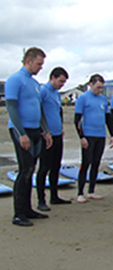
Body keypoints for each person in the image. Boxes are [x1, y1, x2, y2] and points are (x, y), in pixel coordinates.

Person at [5, 47, 53, 226]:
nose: (41, 67)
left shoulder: (34, 83)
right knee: (24, 170)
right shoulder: (15, 80)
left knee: (31, 169)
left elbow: (39, 109)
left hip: (35, 130)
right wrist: (21, 133)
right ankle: (18, 213)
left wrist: (46, 131)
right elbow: (11, 108)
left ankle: (27, 209)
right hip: (21, 130)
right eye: (39, 63)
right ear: (28, 61)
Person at [74, 74, 113, 203]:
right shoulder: (83, 99)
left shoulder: (103, 100)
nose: (100, 90)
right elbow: (77, 120)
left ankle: (91, 191)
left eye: (101, 88)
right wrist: (82, 137)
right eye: (98, 87)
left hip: (100, 135)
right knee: (86, 163)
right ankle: (80, 193)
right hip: (88, 135)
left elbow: (108, 119)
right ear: (90, 85)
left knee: (96, 163)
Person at [35, 67, 71, 212]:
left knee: (56, 166)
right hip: (46, 136)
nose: (62, 84)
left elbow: (58, 111)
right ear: (53, 78)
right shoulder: (43, 90)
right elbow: (38, 111)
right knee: (44, 167)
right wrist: (43, 131)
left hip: (57, 134)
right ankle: (40, 200)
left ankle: (54, 196)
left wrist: (61, 127)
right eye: (61, 81)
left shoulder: (56, 94)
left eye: (64, 82)